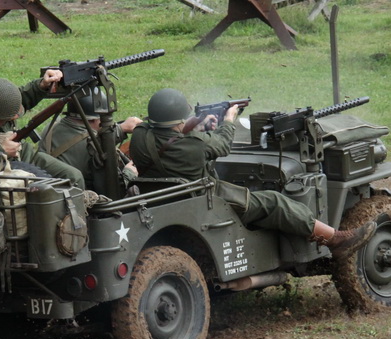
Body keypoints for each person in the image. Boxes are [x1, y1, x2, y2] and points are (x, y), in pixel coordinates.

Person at [130, 89, 376, 257]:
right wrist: (228, 120)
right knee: (276, 201)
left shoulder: (140, 136)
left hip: (166, 195)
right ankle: (335, 239)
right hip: (208, 201)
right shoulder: (194, 145)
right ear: (178, 121)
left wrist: (198, 125)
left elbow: (171, 136)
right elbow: (222, 145)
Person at [39, 91, 141, 194]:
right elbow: (113, 193)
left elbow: (86, 136)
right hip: (82, 202)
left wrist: (121, 128)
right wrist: (129, 173)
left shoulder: (50, 129)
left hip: (46, 193)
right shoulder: (94, 148)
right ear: (95, 120)